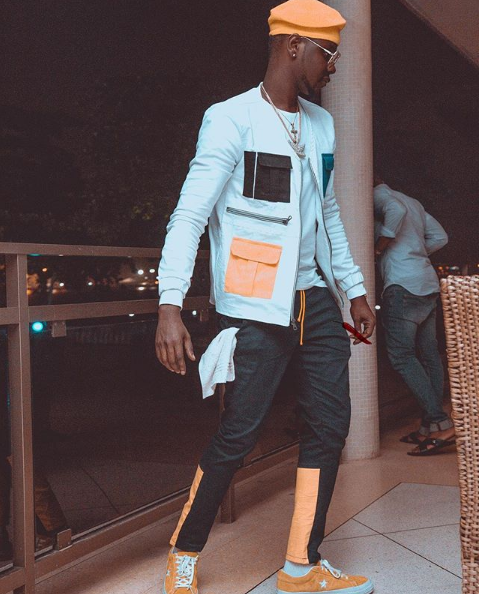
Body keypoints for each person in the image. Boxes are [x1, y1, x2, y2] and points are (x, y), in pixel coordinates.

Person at [156, 1, 376, 592]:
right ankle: (184, 551)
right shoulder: (230, 119)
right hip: (255, 307)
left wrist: (354, 287)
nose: (333, 67)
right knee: (240, 433)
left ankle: (301, 564)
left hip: (315, 302)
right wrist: (170, 303)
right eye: (328, 54)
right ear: (294, 46)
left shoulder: (322, 125)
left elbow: (327, 213)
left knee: (330, 426)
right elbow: (189, 215)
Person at [373, 176, 455, 457]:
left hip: (403, 286)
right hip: (426, 282)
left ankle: (440, 422)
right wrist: (414, 252)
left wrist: (380, 248)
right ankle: (428, 427)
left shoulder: (378, 196)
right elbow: (440, 237)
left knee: (401, 356)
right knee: (429, 355)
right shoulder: (414, 202)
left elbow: (395, 211)